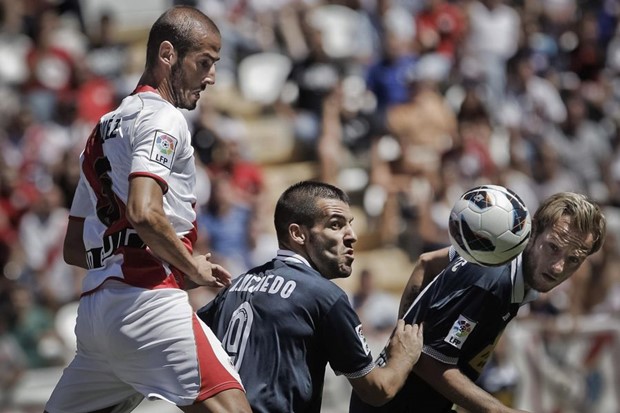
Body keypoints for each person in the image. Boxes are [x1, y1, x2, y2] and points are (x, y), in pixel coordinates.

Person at [44, 6, 252, 413]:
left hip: (96, 318)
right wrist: (191, 268)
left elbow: (74, 248)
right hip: (149, 304)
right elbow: (143, 210)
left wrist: (121, 252)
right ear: (168, 54)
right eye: (204, 63)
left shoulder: (101, 129)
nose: (211, 77)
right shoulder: (164, 118)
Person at [350, 191, 606, 413]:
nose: (559, 266)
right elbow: (427, 361)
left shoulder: (495, 250)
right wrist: (496, 409)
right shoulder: (491, 282)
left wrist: (405, 329)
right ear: (534, 230)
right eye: (552, 247)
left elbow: (425, 262)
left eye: (574, 260)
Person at [198, 180, 424, 413]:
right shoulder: (324, 296)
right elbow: (377, 390)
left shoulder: (234, 287)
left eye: (350, 225)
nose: (352, 236)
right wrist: (404, 356)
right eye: (336, 225)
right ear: (298, 234)